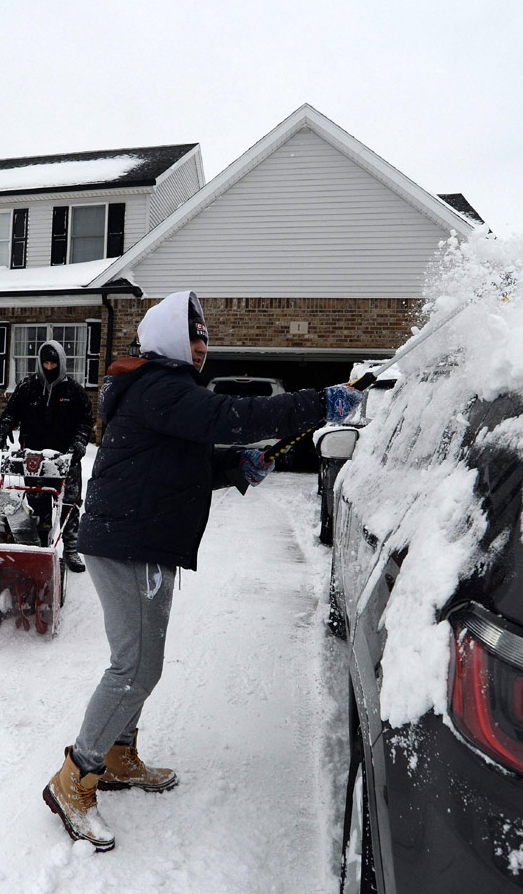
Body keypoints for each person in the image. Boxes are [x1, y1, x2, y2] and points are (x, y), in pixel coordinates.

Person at [41, 290, 366, 851]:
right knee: (134, 668)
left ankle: (118, 757)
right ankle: (74, 778)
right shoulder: (159, 386)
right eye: (190, 336)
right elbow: (233, 417)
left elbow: (181, 463)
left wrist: (234, 466)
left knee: (141, 664)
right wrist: (321, 403)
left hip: (142, 540)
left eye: (204, 338)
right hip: (130, 544)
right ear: (167, 338)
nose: (199, 348)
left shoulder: (160, 391)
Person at [0, 339, 94, 572]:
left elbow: (86, 421)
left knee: (70, 504)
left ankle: (70, 550)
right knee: (39, 503)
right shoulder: (27, 387)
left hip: (65, 459)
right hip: (34, 458)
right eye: (46, 363)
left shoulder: (74, 391)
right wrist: (5, 425)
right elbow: (11, 412)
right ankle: (40, 550)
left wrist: (79, 441)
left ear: (61, 363)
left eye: (54, 363)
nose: (49, 367)